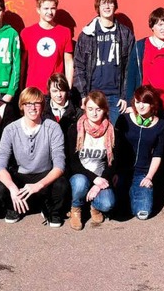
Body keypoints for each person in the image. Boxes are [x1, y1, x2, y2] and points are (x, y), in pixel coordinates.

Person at [0, 87, 69, 227]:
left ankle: (51, 210)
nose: (32, 107)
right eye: (28, 103)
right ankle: (14, 207)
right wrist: (12, 188)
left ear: (42, 105)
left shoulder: (53, 127)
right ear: (21, 106)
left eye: (37, 103)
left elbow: (59, 165)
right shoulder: (10, 129)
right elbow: (0, 165)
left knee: (61, 185)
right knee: (0, 189)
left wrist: (38, 185)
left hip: (44, 175)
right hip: (21, 175)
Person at [74, 0, 134, 125]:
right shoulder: (87, 34)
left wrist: (126, 96)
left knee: (115, 137)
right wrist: (83, 95)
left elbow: (131, 68)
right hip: (93, 95)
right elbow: (78, 66)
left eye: (110, 3)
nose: (107, 7)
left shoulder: (125, 34)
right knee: (94, 134)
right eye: (103, 4)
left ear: (115, 6)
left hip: (116, 97)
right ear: (98, 8)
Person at [114, 85, 164, 220]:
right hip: (122, 171)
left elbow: (157, 154)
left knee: (143, 213)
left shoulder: (161, 125)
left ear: (153, 104)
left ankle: (134, 192)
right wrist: (114, 171)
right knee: (116, 209)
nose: (140, 106)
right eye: (137, 102)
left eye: (145, 102)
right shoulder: (123, 119)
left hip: (142, 173)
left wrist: (149, 177)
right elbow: (115, 148)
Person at [67, 91, 116, 231]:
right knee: (80, 183)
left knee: (107, 203)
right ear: (84, 109)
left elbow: (113, 163)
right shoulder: (75, 130)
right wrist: (94, 179)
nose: (94, 113)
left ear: (105, 110)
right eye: (90, 109)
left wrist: (99, 183)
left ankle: (93, 206)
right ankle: (76, 208)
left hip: (101, 177)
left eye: (98, 109)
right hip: (81, 175)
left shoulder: (111, 131)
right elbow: (73, 163)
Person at [127, 8, 164, 126]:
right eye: (160, 24)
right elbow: (131, 75)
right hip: (146, 103)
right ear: (152, 26)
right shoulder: (140, 46)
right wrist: (130, 103)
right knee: (148, 138)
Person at [20, 0, 73, 92]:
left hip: (56, 90)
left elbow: (68, 61)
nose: (50, 12)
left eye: (53, 8)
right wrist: (21, 87)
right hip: (33, 89)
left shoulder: (65, 32)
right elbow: (22, 62)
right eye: (46, 8)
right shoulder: (27, 33)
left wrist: (68, 88)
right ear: (38, 10)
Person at [42, 73, 81, 141]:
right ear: (49, 91)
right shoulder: (42, 112)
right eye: (55, 91)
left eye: (62, 90)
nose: (59, 95)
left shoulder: (77, 113)